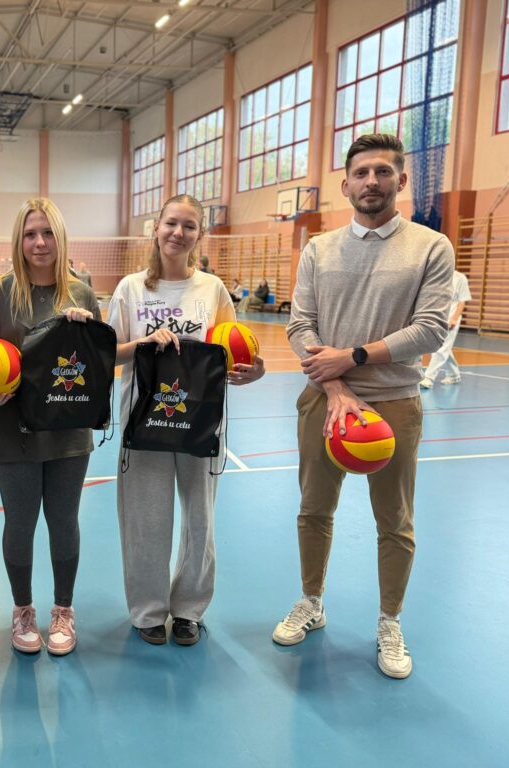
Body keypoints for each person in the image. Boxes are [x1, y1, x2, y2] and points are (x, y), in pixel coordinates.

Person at [276, 134, 453, 679]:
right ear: (346, 183)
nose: (371, 181)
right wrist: (335, 386)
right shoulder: (319, 249)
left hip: (395, 401)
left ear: (401, 180)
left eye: (382, 171)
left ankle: (389, 620)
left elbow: (430, 329)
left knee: (395, 520)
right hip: (324, 399)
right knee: (313, 509)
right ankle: (311, 601)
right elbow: (300, 326)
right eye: (361, 172)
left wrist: (352, 357)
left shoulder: (431, 247)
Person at [107, 194, 265, 646]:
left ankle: (189, 610)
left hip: (201, 421)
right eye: (171, 223)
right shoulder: (130, 289)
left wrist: (254, 370)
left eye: (189, 226)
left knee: (200, 521)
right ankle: (148, 610)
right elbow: (108, 353)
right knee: (145, 519)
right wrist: (143, 345)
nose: (178, 233)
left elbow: (234, 351)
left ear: (200, 234)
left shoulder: (212, 290)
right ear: (156, 228)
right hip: (144, 421)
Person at [0, 198, 100, 656]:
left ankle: (63, 610)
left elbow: (94, 367)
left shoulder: (82, 294)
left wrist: (82, 332)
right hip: (13, 431)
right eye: (30, 234)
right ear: (18, 241)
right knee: (20, 524)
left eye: (47, 233)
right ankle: (22, 609)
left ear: (60, 238)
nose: (39, 243)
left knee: (64, 522)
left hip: (68, 434)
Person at [421, 269, 471, 388]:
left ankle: (428, 377)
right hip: (438, 316)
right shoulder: (437, 275)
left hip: (451, 318)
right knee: (443, 347)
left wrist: (454, 318)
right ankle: (454, 375)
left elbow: (462, 301)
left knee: (441, 348)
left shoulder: (460, 278)